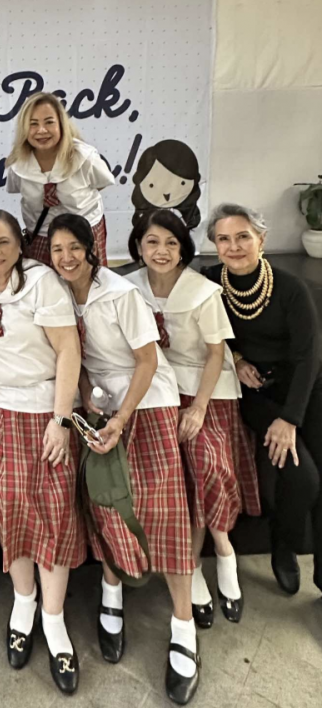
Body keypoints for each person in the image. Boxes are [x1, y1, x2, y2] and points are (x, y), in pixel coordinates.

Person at [49, 213, 200, 705]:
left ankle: (183, 627)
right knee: (108, 505)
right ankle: (111, 593)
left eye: (75, 247)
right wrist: (91, 406)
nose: (67, 258)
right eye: (57, 250)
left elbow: (148, 360)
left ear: (91, 248)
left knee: (164, 511)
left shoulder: (120, 293)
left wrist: (123, 417)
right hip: (100, 408)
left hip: (146, 404)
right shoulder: (55, 294)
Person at [0, 209, 85, 693]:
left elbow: (68, 350)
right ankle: (24, 600)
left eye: (3, 242)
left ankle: (54, 620)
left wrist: (60, 419)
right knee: (10, 508)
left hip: (45, 411)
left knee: (55, 510)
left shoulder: (41, 283)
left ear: (20, 245)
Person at [125, 209, 261, 629]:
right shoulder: (128, 288)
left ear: (184, 248)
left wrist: (199, 407)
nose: (161, 251)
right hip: (158, 388)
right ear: (139, 247)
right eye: (152, 242)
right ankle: (193, 567)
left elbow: (217, 353)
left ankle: (223, 550)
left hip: (207, 387)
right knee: (173, 479)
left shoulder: (203, 292)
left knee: (206, 464)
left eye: (171, 243)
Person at [202, 203, 322, 597]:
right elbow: (206, 335)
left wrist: (290, 419)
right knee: (303, 479)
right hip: (255, 393)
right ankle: (283, 546)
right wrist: (236, 360)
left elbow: (308, 357)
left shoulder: (290, 288)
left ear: (262, 239)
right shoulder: (209, 282)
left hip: (305, 387)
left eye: (243, 237)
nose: (234, 246)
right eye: (224, 239)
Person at [6, 92, 115, 267]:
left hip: (84, 232)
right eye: (33, 124)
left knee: (86, 280)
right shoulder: (18, 165)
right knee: (44, 282)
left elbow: (101, 184)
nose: (42, 130)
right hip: (41, 235)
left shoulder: (85, 158)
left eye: (49, 122)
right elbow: (16, 189)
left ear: (61, 124)